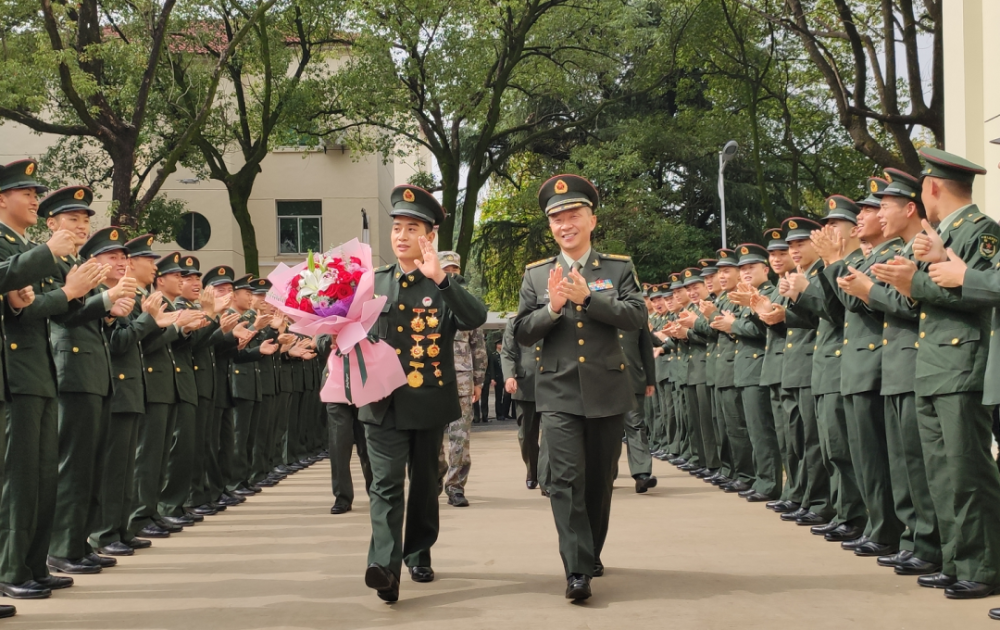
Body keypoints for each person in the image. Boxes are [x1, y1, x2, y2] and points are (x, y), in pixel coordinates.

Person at [873, 147, 1000, 600]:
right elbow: (923, 297)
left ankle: (983, 566)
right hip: (933, 364)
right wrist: (908, 280)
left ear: (931, 188)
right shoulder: (938, 233)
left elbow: (977, 290)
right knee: (941, 475)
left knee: (967, 471)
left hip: (960, 362)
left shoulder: (981, 231)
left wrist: (918, 280)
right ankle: (955, 559)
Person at [512, 174, 645, 601]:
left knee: (599, 482)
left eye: (573, 215)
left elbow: (637, 317)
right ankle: (576, 569)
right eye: (556, 218)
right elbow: (521, 331)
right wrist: (551, 307)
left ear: (591, 220)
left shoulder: (617, 268)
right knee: (565, 479)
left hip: (607, 390)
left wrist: (590, 299)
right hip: (558, 393)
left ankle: (590, 550)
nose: (565, 224)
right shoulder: (537, 276)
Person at [359, 184, 486, 603]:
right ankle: (384, 565)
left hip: (428, 402)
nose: (400, 236)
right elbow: (343, 333)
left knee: (425, 482)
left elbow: (474, 316)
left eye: (411, 228)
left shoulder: (443, 284)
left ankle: (419, 550)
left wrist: (441, 280)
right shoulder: (372, 283)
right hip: (381, 404)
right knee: (386, 484)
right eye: (396, 227)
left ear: (428, 236)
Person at [836, 170, 942, 577]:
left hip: (912, 363)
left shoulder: (919, 247)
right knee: (901, 464)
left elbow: (912, 304)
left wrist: (869, 290)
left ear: (909, 208)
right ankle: (913, 539)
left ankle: (923, 542)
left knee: (917, 465)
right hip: (895, 365)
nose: (877, 215)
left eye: (883, 207)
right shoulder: (900, 249)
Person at [42, 189, 136, 576]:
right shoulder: (54, 262)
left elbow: (91, 315)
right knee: (73, 465)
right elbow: (61, 312)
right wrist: (105, 302)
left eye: (85, 220)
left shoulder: (81, 267)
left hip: (94, 376)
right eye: (72, 220)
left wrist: (109, 311)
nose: (81, 227)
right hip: (73, 373)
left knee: (91, 465)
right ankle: (62, 547)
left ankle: (79, 543)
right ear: (52, 224)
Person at [90, 233, 177, 556]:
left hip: (131, 387)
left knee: (125, 466)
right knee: (115, 465)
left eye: (123, 257)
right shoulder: (103, 296)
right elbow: (118, 343)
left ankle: (121, 528)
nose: (121, 262)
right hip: (115, 385)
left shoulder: (127, 295)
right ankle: (104, 532)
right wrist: (151, 321)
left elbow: (134, 340)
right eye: (112, 257)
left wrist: (157, 322)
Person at [436, 251, 487, 508]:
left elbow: (478, 346)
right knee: (432, 438)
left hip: (462, 382)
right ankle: (436, 476)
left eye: (455, 270)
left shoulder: (467, 303)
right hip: (432, 381)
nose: (451, 274)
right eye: (447, 270)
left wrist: (478, 380)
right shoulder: (429, 301)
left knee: (460, 438)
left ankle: (455, 486)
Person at [501, 318, 542, 490]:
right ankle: (533, 470)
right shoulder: (516, 322)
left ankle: (548, 475)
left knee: (554, 434)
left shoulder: (560, 313)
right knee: (526, 435)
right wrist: (509, 375)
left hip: (555, 382)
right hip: (526, 384)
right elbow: (508, 352)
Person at [618, 320, 658, 493]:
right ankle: (605, 473)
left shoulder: (634, 311)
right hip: (601, 381)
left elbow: (645, 348)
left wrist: (650, 379)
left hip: (632, 379)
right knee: (607, 431)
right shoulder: (592, 306)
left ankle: (642, 475)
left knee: (635, 425)